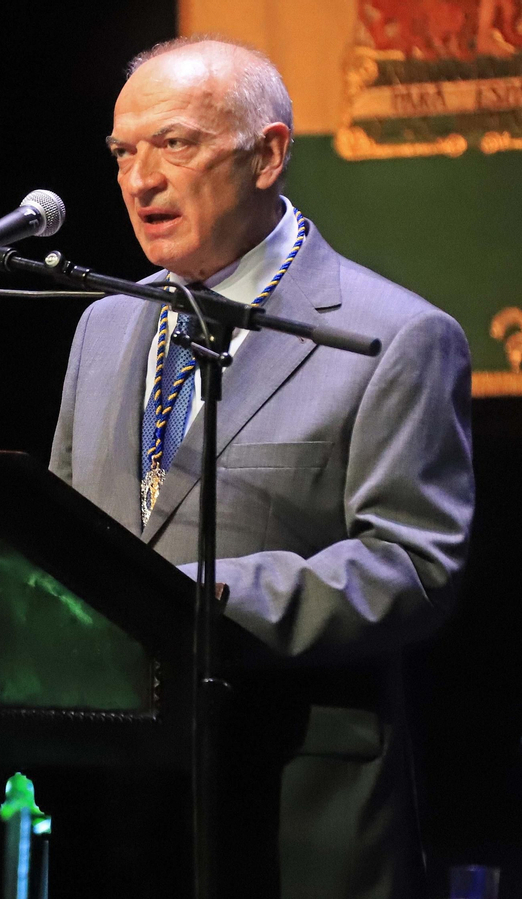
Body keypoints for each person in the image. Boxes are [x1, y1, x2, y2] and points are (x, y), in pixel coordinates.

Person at [49, 36, 474, 899]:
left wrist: (205, 601)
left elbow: (415, 565)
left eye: (175, 144)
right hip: (120, 808)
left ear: (269, 153)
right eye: (125, 153)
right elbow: (60, 534)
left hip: (298, 801)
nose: (140, 181)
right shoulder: (103, 325)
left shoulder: (394, 335)